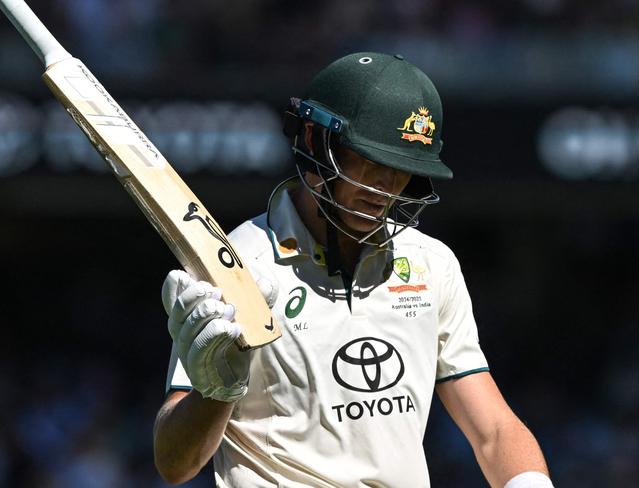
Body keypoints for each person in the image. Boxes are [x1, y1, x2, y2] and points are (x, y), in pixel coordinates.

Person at [153, 52, 554, 488]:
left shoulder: (430, 264)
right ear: (313, 138)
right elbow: (176, 464)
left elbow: (493, 431)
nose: (385, 187)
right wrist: (217, 393)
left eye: (401, 168)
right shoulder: (236, 267)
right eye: (370, 161)